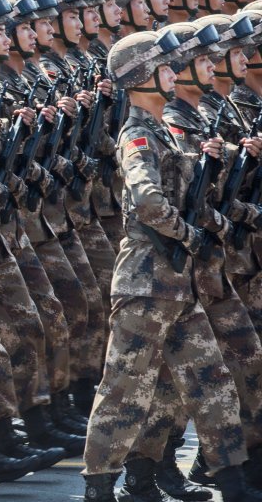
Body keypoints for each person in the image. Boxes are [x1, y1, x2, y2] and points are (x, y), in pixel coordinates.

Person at [81, 27, 261, 502]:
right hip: (145, 281)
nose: (173, 74)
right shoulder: (138, 135)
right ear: (142, 79)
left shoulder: (164, 133)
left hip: (180, 286)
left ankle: (235, 482)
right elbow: (147, 202)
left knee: (212, 380)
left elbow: (189, 200)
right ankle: (98, 486)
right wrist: (189, 236)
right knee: (123, 387)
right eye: (164, 69)